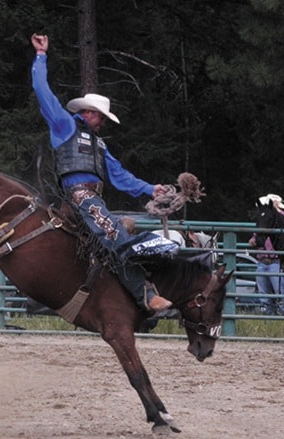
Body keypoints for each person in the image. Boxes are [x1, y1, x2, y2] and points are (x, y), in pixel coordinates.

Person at [30, 33, 177, 313]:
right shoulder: (64, 125)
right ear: (88, 113)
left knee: (112, 239)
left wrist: (150, 189)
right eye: (101, 117)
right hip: (79, 196)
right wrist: (41, 56)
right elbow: (42, 90)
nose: (103, 124)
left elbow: (119, 175)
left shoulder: (99, 144)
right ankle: (144, 294)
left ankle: (122, 308)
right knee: (113, 233)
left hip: (93, 201)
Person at [249, 194, 284, 316]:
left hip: (275, 261)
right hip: (262, 261)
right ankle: (271, 319)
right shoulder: (264, 221)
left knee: (281, 294)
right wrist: (253, 240)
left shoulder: (282, 219)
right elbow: (255, 237)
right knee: (265, 297)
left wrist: (278, 211)